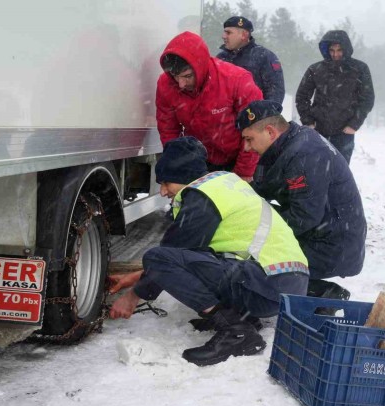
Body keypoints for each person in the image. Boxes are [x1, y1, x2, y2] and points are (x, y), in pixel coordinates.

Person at [108, 136, 309, 366]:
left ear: (184, 176)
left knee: (156, 257)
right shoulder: (224, 184)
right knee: (203, 257)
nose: (163, 191)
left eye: (166, 183)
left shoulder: (202, 197)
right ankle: (243, 317)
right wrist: (136, 277)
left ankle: (235, 329)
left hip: (267, 283)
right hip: (286, 283)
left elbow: (168, 258)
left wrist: (134, 295)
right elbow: (189, 255)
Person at [237, 100, 366, 298]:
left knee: (250, 262)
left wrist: (255, 235)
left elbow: (303, 217)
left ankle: (321, 294)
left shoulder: (304, 155)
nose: (246, 148)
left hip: (333, 246)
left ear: (270, 132)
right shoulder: (289, 142)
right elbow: (264, 189)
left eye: (249, 139)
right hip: (325, 233)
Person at [156, 31, 263, 181]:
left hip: (239, 157)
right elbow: (168, 130)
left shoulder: (236, 80)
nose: (181, 84)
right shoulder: (166, 85)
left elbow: (255, 129)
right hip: (199, 161)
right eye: (175, 76)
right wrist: (178, 168)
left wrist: (243, 173)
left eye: (187, 76)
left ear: (200, 67)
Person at [295, 30, 375, 165]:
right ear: (326, 50)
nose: (335, 54)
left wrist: (354, 124)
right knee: (316, 170)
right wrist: (308, 122)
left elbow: (367, 99)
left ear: (346, 49)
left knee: (341, 173)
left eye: (339, 50)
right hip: (318, 131)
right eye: (332, 50)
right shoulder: (315, 69)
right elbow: (302, 96)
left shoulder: (360, 69)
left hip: (345, 133)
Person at [216, 16, 285, 104]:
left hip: (254, 116)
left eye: (228, 33)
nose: (223, 36)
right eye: (224, 32)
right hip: (225, 116)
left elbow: (275, 92)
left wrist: (264, 114)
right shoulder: (220, 59)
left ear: (244, 35)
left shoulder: (264, 57)